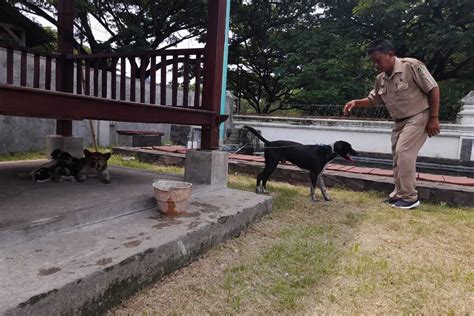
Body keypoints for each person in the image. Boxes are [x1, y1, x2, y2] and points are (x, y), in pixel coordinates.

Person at [344, 39, 440, 209]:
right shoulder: (381, 78)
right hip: (399, 121)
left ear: (390, 54)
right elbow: (373, 100)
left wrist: (434, 118)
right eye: (373, 61)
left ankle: (410, 197)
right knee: (397, 157)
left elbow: (433, 88)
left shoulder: (411, 66)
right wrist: (356, 102)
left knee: (404, 153)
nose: (375, 64)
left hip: (418, 116)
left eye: (378, 60)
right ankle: (399, 194)